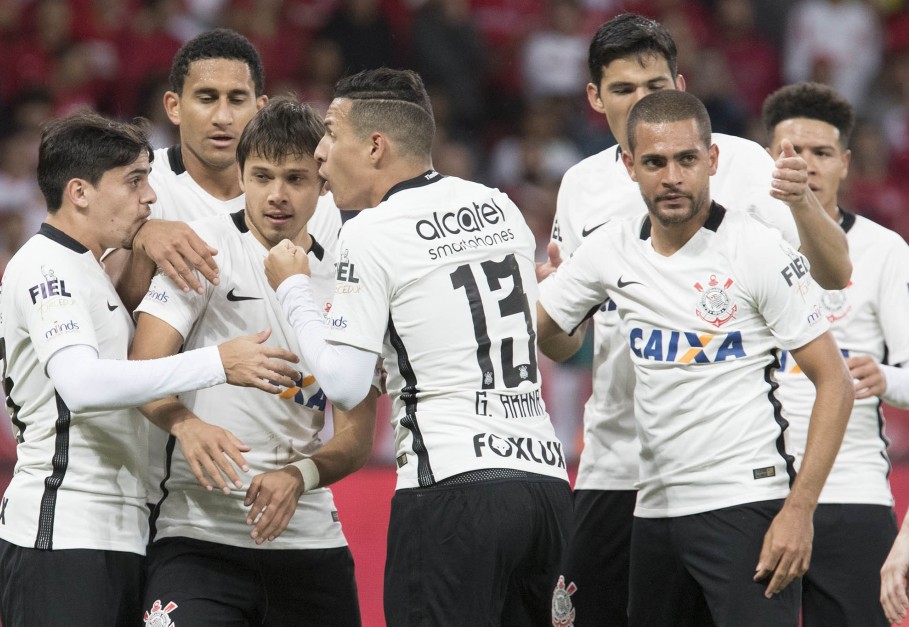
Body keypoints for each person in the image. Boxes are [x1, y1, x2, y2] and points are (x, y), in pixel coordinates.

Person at [540, 13, 853, 626]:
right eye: (624, 90)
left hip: (729, 464)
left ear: (680, 83)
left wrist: (806, 206)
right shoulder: (580, 186)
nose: (640, 103)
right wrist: (558, 300)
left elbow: (836, 272)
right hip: (619, 455)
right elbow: (560, 339)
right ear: (594, 97)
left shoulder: (741, 163)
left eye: (655, 86)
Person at [265, 68, 573, 626]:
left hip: (453, 490)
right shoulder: (499, 205)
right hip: (546, 486)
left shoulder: (371, 232)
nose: (319, 153)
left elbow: (344, 382)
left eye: (331, 134)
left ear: (376, 146)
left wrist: (291, 286)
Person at [0, 112, 298, 627]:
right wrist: (217, 363)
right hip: (61, 530)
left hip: (117, 532)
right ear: (80, 192)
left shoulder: (85, 267)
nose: (150, 197)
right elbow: (82, 384)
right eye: (134, 181)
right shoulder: (47, 268)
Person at [130, 97, 375, 626]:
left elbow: (356, 437)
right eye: (262, 176)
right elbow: (141, 368)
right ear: (240, 174)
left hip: (309, 540)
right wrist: (187, 424)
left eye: (296, 178)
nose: (277, 195)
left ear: (323, 183)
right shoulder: (206, 248)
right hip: (199, 536)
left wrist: (299, 476)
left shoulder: (353, 275)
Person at [763, 81, 909, 627]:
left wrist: (885, 379)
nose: (805, 164)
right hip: (751, 490)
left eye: (821, 152)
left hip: (852, 493)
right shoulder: (740, 245)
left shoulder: (884, 251)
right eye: (790, 151)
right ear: (767, 157)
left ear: (845, 162)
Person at [108, 28, 342, 310]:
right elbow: (111, 310)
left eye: (236, 99)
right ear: (174, 106)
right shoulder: (137, 185)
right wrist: (143, 245)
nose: (222, 117)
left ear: (259, 108)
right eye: (206, 98)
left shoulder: (317, 203)